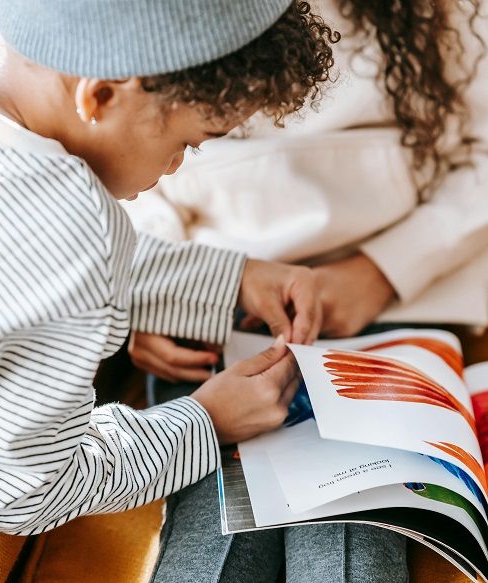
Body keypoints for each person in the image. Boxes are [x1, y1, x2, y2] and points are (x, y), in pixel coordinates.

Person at [125, 1, 488, 582]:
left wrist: (379, 272)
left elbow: (482, 153)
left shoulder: (444, 14)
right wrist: (154, 298)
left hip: (394, 300)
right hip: (215, 308)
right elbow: (128, 167)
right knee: (213, 525)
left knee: (351, 523)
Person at [0, 0, 339, 535]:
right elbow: (25, 490)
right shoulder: (77, 233)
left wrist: (232, 280)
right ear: (100, 95)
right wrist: (206, 422)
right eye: (185, 143)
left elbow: (24, 269)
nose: (175, 167)